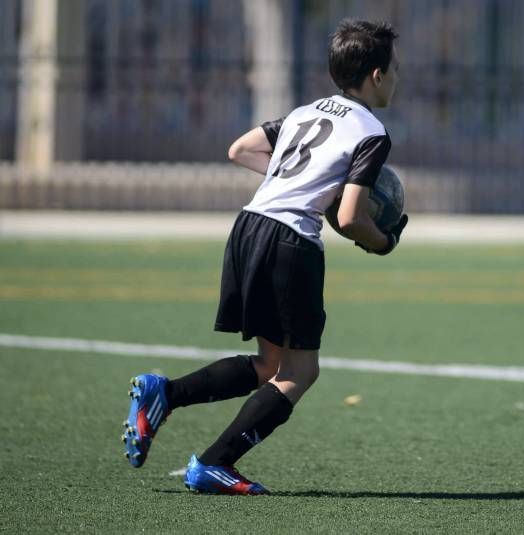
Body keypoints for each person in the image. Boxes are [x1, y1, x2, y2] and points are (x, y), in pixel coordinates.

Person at [121, 19, 408, 495]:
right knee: (301, 371)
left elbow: (240, 149)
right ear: (376, 75)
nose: (397, 77)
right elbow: (354, 217)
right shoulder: (372, 131)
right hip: (291, 241)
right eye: (394, 69)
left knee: (270, 364)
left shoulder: (305, 112)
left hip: (249, 226)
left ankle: (164, 393)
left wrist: (299, 180)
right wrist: (385, 240)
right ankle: (214, 463)